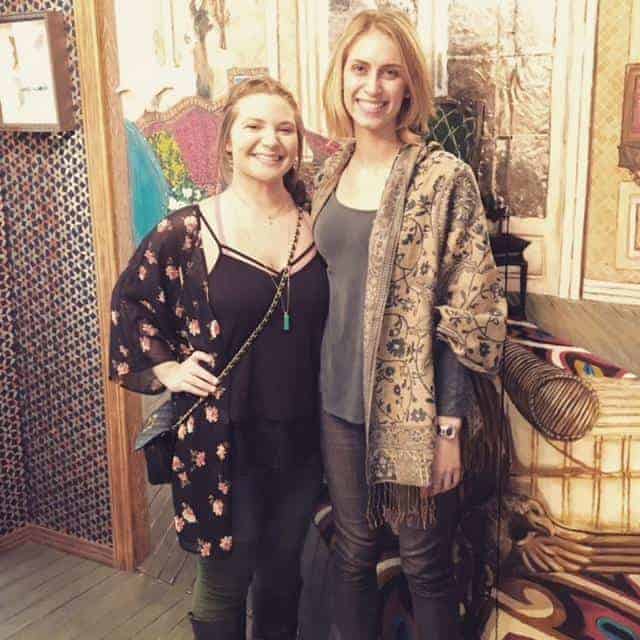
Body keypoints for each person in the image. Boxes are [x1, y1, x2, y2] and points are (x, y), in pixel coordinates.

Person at [109, 77, 328, 640]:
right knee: (225, 579)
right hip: (222, 435)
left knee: (284, 575)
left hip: (303, 436)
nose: (270, 140)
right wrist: (168, 368)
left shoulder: (318, 221)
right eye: (254, 125)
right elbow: (130, 302)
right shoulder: (190, 229)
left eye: (284, 128)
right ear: (228, 138)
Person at [312, 9, 507, 640]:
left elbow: (468, 313)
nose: (372, 86)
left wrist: (450, 427)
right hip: (337, 404)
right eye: (360, 68)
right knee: (352, 552)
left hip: (415, 412)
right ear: (341, 77)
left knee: (424, 563)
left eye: (389, 72)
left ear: (408, 87)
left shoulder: (444, 178)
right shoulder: (328, 173)